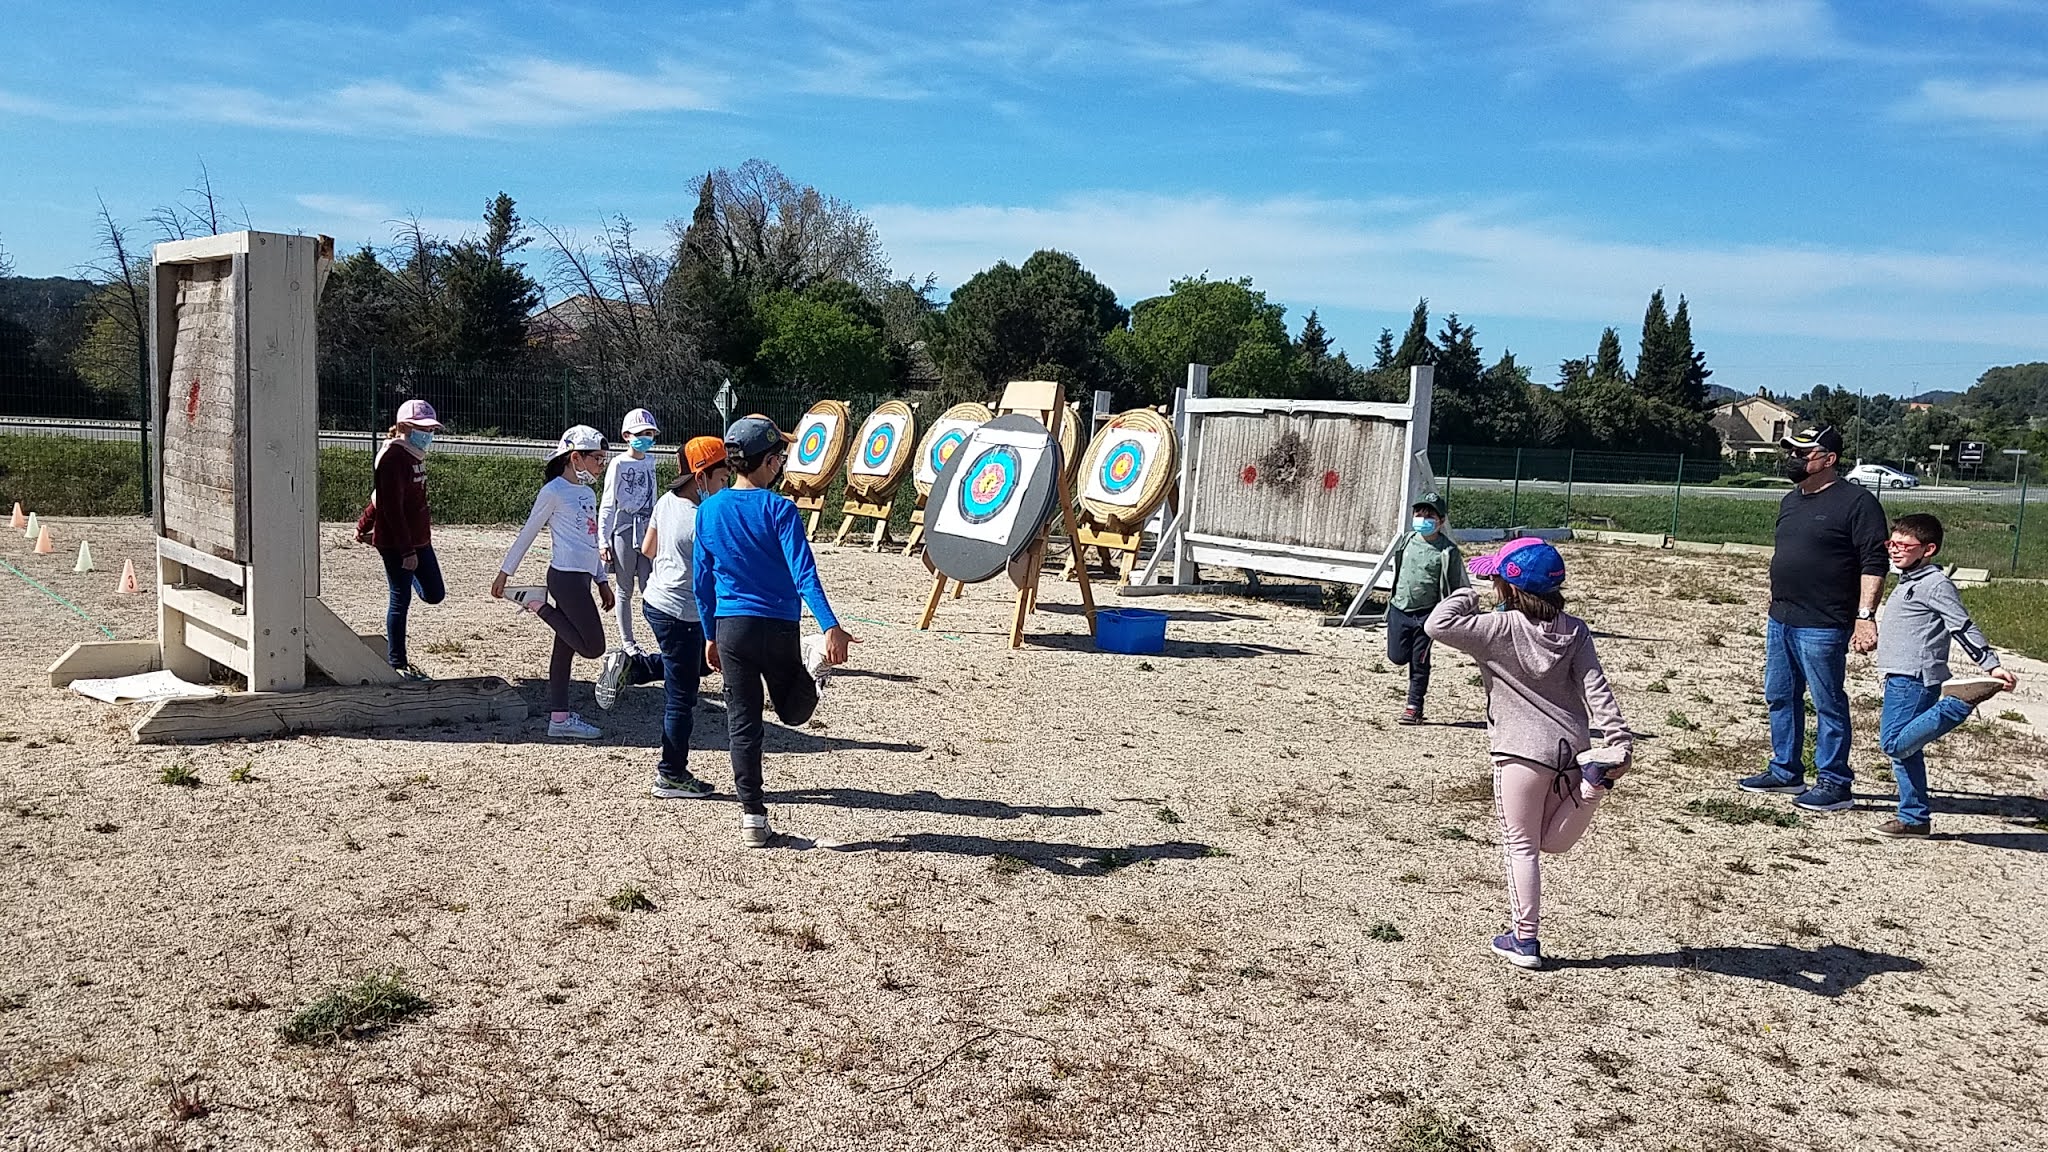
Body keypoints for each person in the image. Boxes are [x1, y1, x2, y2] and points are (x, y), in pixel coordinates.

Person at [1426, 540, 1632, 971]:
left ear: (1506, 586)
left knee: (1522, 846)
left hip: (1519, 751)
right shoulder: (1575, 630)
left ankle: (1524, 939)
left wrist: (1470, 590)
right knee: (1549, 841)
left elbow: (1437, 624)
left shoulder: (1495, 630)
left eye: (1497, 576)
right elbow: (1597, 687)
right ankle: (1593, 783)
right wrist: (1618, 739)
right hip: (1570, 748)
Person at [693, 415, 858, 847]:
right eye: (780, 456)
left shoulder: (708, 509)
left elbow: (701, 580)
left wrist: (710, 633)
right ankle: (813, 667)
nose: (783, 462)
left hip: (732, 630)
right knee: (794, 713)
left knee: (742, 723)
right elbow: (805, 574)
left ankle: (752, 816)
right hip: (779, 626)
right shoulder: (780, 509)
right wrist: (830, 627)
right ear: (768, 462)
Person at [1737, 426, 1889, 813]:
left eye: (1804, 453)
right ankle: (1786, 770)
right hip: (1782, 617)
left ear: (1829, 459)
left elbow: (1874, 562)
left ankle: (1835, 782)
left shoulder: (1857, 503)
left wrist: (1865, 616)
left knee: (1827, 702)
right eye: (1791, 451)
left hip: (1823, 623)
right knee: (1779, 695)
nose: (1795, 459)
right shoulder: (1791, 500)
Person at [1871, 513, 2017, 837]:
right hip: (1900, 676)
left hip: (1915, 679)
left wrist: (1990, 665)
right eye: (1892, 543)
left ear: (1929, 549)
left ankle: (1958, 705)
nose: (1894, 551)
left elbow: (1961, 625)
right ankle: (1914, 818)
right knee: (1908, 749)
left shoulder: (1935, 584)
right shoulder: (1909, 580)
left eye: (1904, 546)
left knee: (1894, 744)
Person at [491, 426, 614, 740]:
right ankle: (537, 604)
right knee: (594, 647)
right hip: (564, 579)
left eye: (604, 458)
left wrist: (601, 579)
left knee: (566, 648)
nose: (602, 464)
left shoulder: (587, 493)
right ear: (575, 458)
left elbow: (591, 539)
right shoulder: (554, 491)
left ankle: (559, 718)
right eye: (597, 458)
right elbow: (529, 532)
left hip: (582, 579)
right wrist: (507, 572)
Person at [635, 436, 732, 798]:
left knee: (694, 666)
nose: (725, 485)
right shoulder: (702, 519)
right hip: (681, 613)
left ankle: (638, 667)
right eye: (722, 478)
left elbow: (647, 549)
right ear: (701, 475)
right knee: (682, 697)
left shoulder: (666, 501)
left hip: (656, 601)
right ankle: (671, 774)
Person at [355, 399, 447, 681]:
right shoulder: (394, 457)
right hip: (398, 543)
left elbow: (381, 498)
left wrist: (363, 527)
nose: (428, 434)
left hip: (419, 539)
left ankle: (408, 570)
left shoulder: (413, 454)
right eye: (422, 428)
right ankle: (398, 662)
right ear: (405, 426)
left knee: (434, 593)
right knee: (400, 598)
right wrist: (406, 551)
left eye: (431, 429)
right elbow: (388, 504)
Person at [1384, 493, 1469, 725]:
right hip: (1399, 608)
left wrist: (1451, 614)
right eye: (1419, 513)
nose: (1423, 518)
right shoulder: (1407, 540)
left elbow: (1453, 586)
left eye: (1430, 515)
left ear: (1441, 521)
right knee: (1397, 656)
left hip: (1427, 614)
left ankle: (1414, 706)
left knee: (1419, 660)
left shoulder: (1447, 551)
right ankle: (1412, 697)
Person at [599, 408, 662, 658]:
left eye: (649, 433)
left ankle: (661, 635)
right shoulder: (618, 463)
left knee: (650, 585)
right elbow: (608, 503)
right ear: (627, 435)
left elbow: (654, 497)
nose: (645, 438)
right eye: (640, 434)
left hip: (646, 527)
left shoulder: (650, 461)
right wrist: (603, 540)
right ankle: (627, 641)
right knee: (625, 588)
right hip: (624, 528)